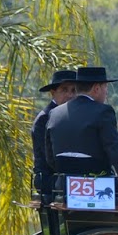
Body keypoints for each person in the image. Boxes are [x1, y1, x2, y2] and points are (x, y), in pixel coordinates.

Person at [45, 66, 118, 214]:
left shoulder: (55, 113)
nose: (107, 92)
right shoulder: (103, 111)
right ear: (97, 88)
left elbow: (50, 157)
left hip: (64, 185)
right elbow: (116, 153)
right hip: (96, 185)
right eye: (106, 87)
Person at [31, 68, 78, 197]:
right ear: (53, 93)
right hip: (50, 179)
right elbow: (49, 158)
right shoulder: (44, 119)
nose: (70, 95)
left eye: (73, 90)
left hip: (69, 178)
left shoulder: (73, 117)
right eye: (64, 90)